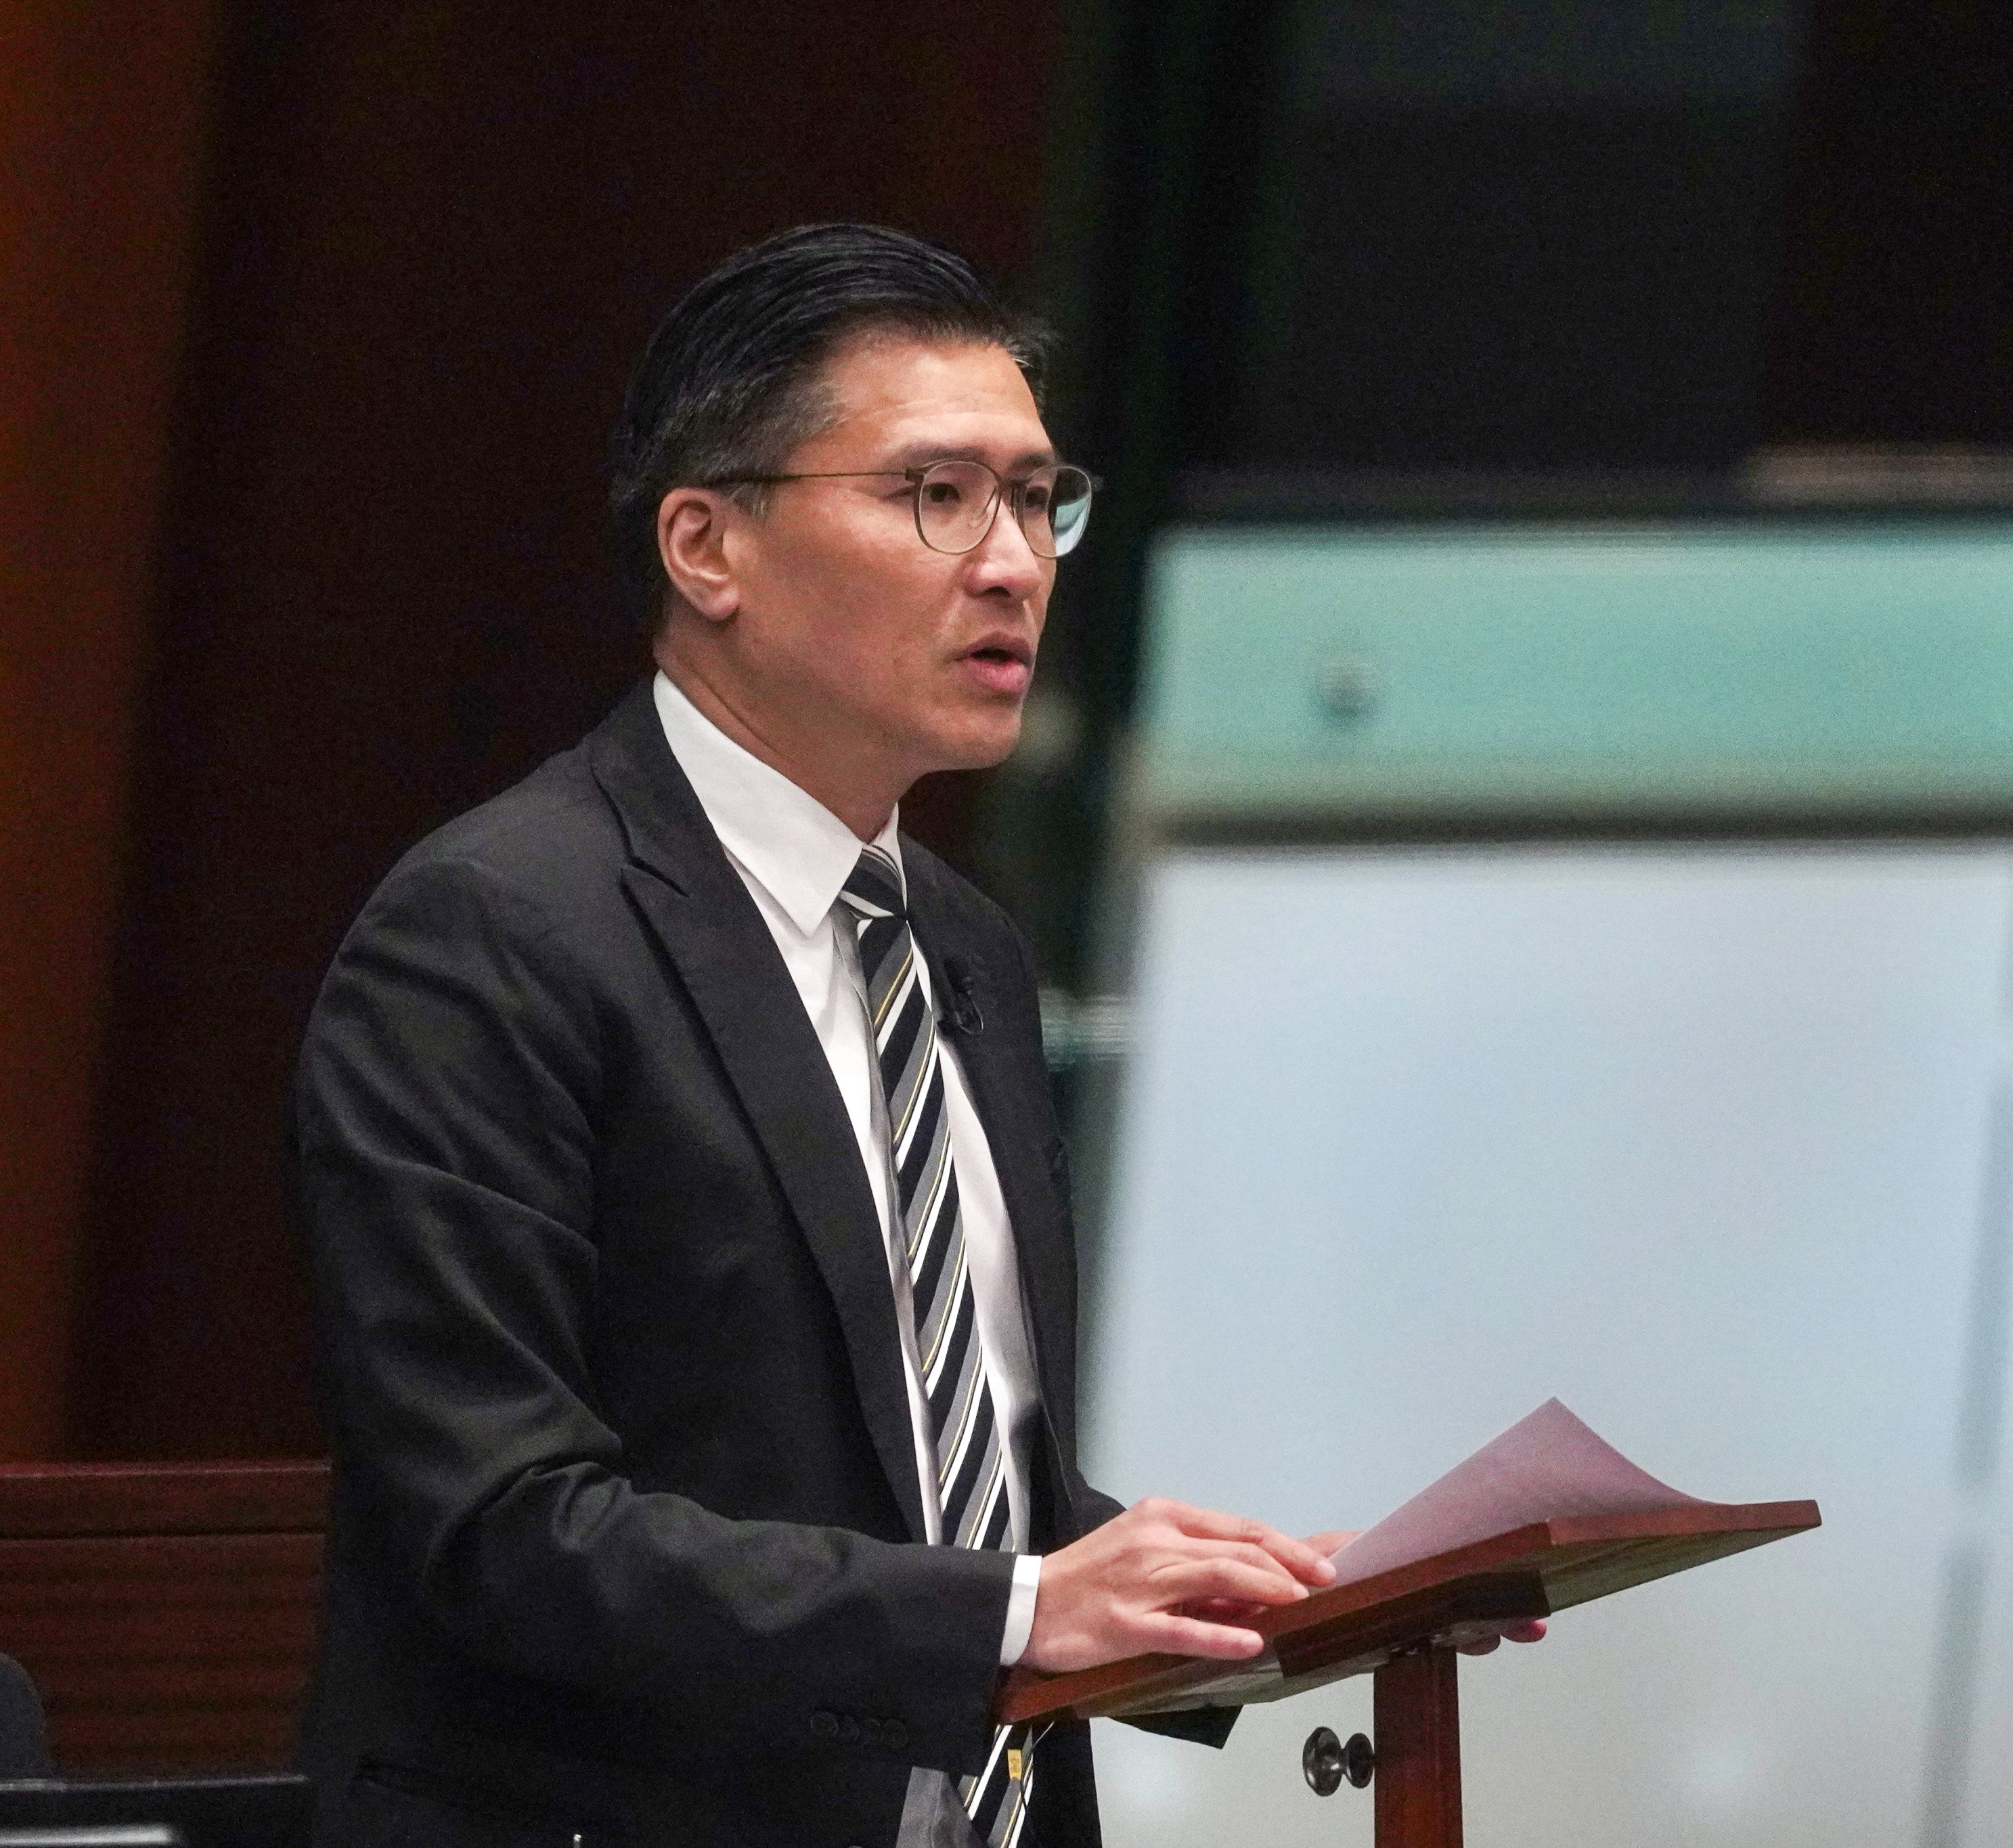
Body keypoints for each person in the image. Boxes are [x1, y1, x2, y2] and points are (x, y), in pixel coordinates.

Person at [292, 223, 1535, 1848]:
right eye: (934, 495)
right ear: (704, 545)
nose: (1012, 561)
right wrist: (1017, 1611)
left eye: (1036, 499)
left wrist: (1284, 1607)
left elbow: (947, 1487)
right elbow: (500, 1529)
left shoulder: (964, 951)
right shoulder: (492, 937)